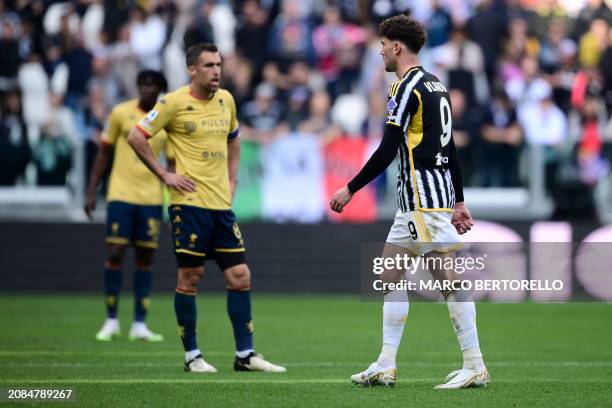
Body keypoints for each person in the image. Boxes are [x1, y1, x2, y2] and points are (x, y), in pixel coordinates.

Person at [330, 15, 489, 389]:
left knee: (448, 280)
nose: (380, 51)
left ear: (396, 46)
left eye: (382, 44)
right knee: (388, 275)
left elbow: (388, 147)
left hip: (423, 199)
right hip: (418, 201)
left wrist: (351, 188)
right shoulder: (436, 84)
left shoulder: (405, 87)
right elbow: (449, 149)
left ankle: (475, 364)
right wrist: (460, 201)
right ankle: (385, 363)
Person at [127, 42, 286, 374]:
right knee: (191, 277)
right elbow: (136, 136)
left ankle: (245, 354)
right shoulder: (172, 103)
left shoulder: (226, 100)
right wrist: (164, 174)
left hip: (221, 206)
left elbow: (235, 139)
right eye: (210, 65)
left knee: (240, 276)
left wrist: (232, 181)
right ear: (192, 70)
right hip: (189, 206)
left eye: (219, 64)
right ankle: (192, 356)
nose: (217, 71)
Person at [85, 70, 172, 342]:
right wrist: (91, 190)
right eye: (142, 83)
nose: (146, 89)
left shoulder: (165, 120)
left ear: (160, 90)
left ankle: (139, 324)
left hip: (151, 199)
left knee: (145, 259)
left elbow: (172, 164)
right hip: (120, 194)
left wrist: (177, 199)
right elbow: (105, 152)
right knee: (116, 251)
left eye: (152, 85)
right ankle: (111, 320)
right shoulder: (120, 113)